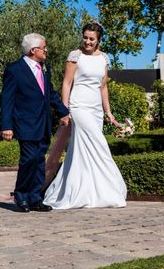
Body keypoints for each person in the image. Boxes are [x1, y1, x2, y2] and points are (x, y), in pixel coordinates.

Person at [43, 22, 127, 209]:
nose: (87, 41)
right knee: (100, 145)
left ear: (98, 40)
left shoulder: (104, 58)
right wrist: (65, 110)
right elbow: (66, 83)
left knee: (82, 150)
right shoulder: (75, 56)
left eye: (92, 39)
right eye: (85, 37)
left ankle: (92, 192)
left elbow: (103, 87)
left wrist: (108, 113)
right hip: (79, 106)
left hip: (96, 109)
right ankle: (81, 193)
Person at [1, 33, 70, 212]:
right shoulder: (15, 69)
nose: (46, 50)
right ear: (33, 50)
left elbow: (50, 94)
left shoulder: (44, 68)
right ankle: (21, 195)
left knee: (39, 160)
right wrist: (6, 126)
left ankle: (35, 198)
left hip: (43, 123)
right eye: (44, 48)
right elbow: (7, 99)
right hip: (25, 124)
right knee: (29, 159)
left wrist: (64, 112)